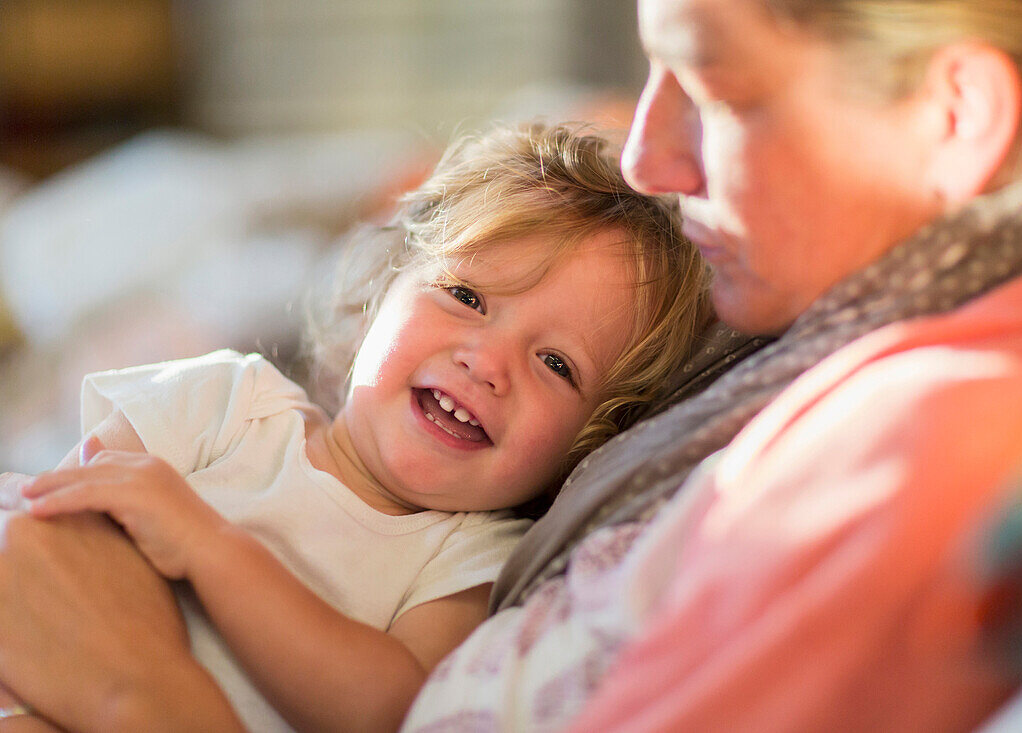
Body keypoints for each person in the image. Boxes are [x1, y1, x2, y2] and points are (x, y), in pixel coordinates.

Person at [0, 0, 1022, 731]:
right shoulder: (821, 346)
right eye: (465, 297)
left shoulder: (930, 455)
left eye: (711, 86)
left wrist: (133, 695)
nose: (646, 155)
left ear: (952, 114)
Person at [0, 122, 713, 732]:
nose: (488, 360)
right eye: (466, 295)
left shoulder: (471, 557)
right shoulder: (224, 400)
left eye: (557, 363)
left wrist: (208, 546)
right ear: (381, 287)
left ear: (586, 443)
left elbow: (383, 709)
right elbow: (55, 536)